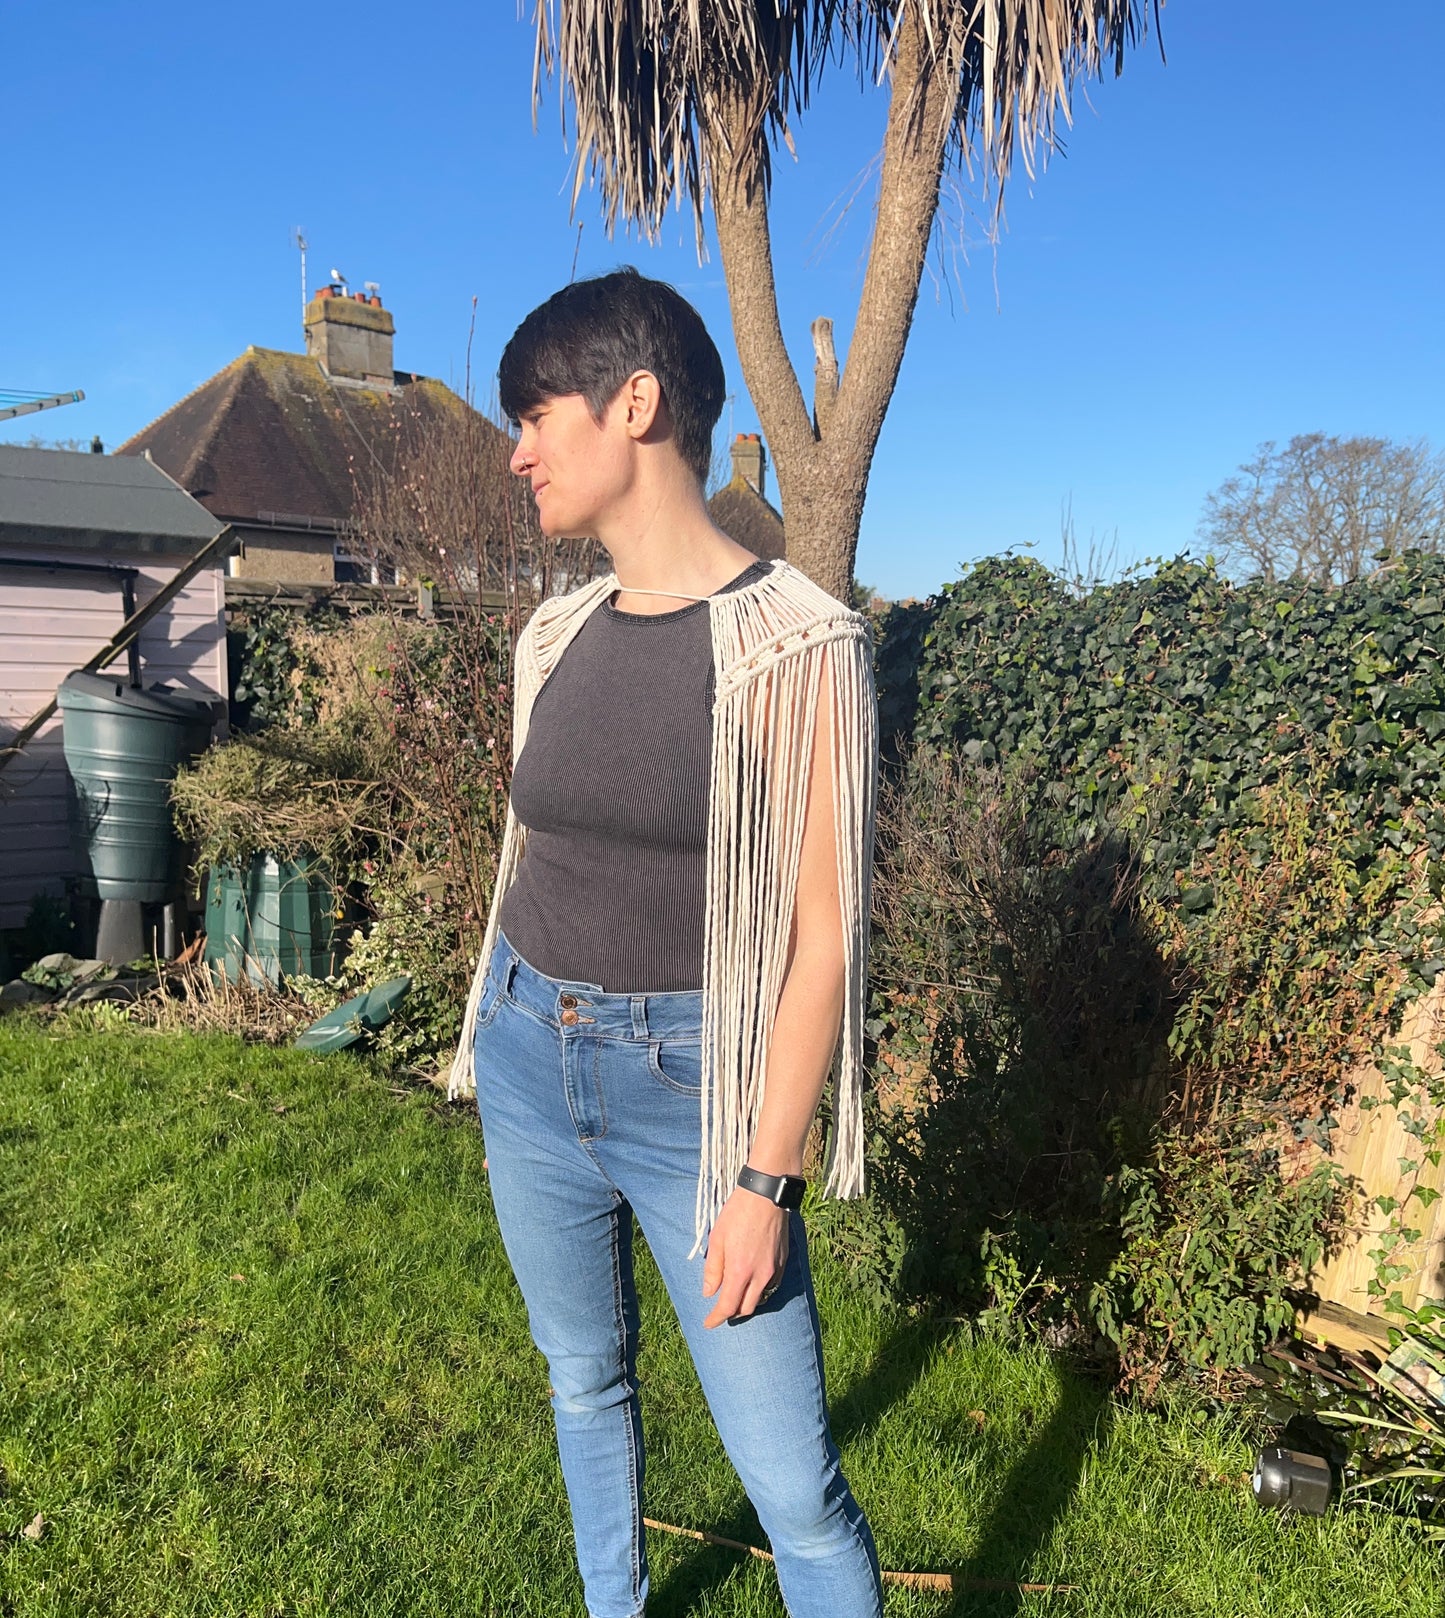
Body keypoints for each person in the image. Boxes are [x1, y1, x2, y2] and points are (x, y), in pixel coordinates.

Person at [449, 266, 882, 1618]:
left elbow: (823, 938)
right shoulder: (553, 634)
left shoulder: (798, 645)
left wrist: (766, 1180)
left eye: (535, 416)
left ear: (632, 403)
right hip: (527, 1056)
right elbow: (537, 855)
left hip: (696, 1096)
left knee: (792, 1485)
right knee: (583, 1381)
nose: (517, 452)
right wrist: (501, 1034)